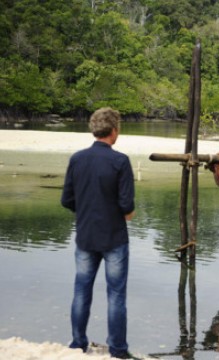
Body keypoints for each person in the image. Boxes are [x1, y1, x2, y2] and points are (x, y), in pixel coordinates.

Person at [61, 107, 136, 359]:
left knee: (81, 290)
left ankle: (77, 343)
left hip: (85, 236)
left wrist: (85, 210)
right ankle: (117, 349)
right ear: (114, 131)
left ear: (94, 129)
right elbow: (126, 205)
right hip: (114, 237)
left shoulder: (77, 159)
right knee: (115, 295)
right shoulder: (120, 161)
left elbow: (67, 200)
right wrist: (128, 213)